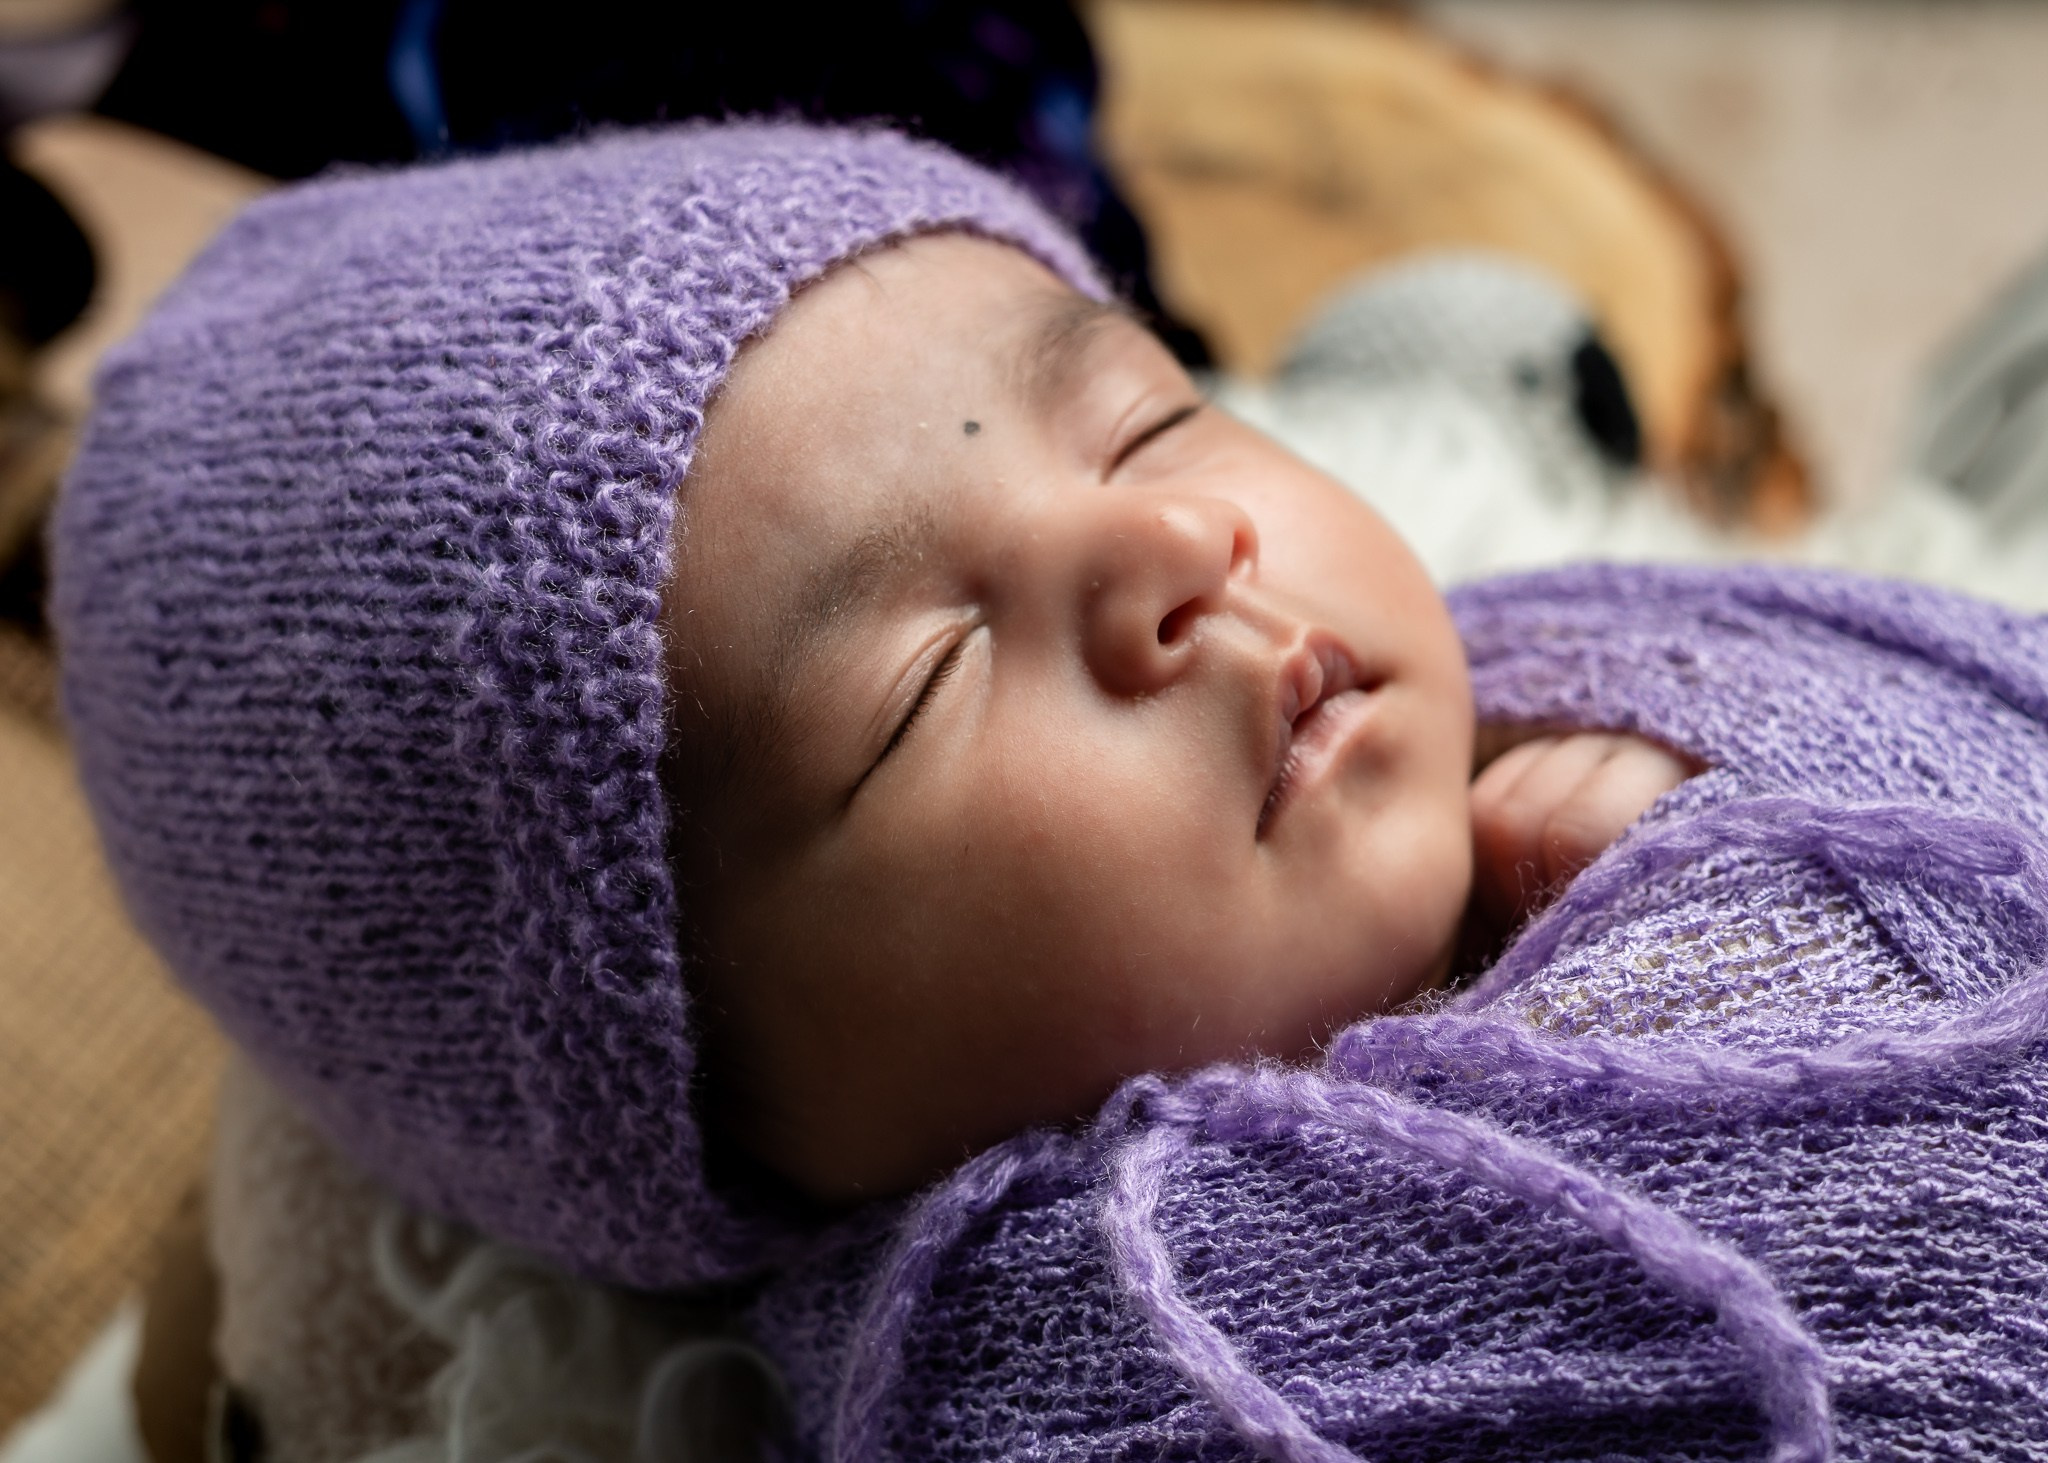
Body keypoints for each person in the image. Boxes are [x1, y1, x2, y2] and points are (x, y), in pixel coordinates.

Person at [52, 124, 2048, 1460]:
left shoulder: (1560, 668)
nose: (1178, 550)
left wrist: (1688, 821)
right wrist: (1732, 974)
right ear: (723, 1124)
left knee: (1478, 328)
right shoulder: (1108, 1359)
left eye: (1148, 412)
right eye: (917, 683)